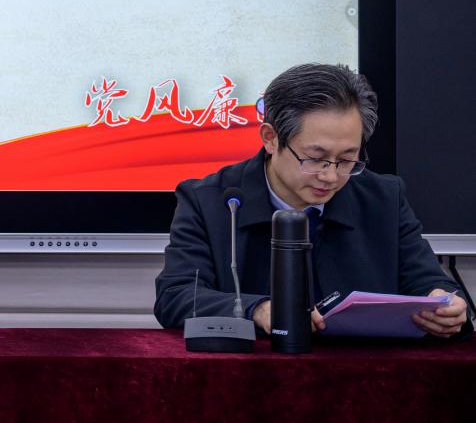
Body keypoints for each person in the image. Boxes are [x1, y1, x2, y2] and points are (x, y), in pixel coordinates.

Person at [154, 63, 470, 339]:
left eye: (347, 159)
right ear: (270, 138)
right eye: (315, 158)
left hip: (367, 374)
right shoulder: (210, 200)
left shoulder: (383, 198)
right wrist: (258, 309)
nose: (330, 176)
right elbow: (176, 296)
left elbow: (429, 282)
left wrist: (447, 305)